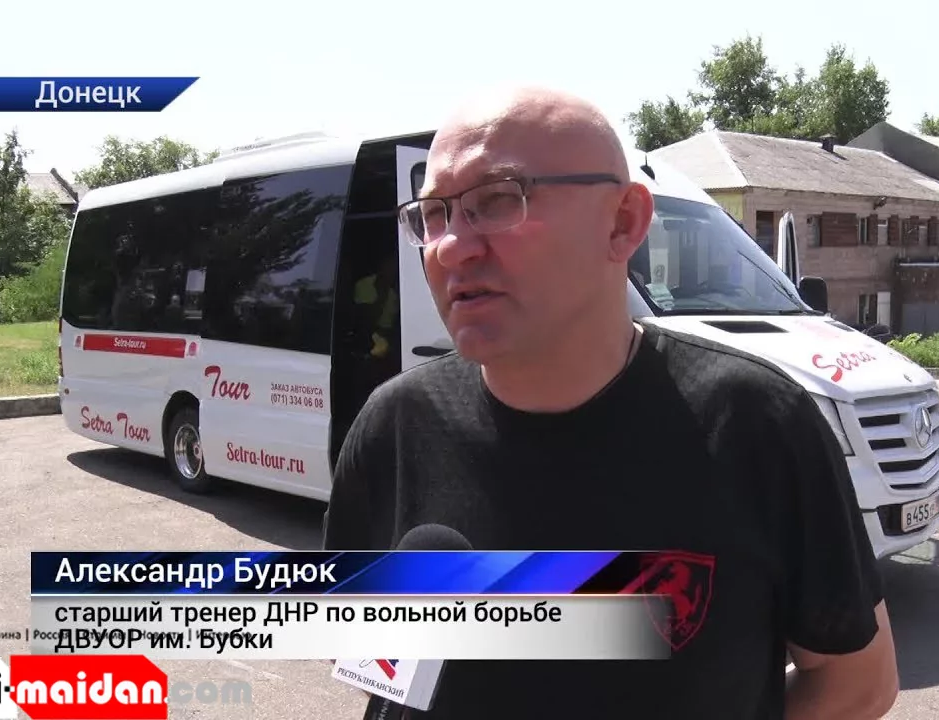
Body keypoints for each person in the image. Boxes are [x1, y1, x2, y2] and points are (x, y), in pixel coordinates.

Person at [322, 85, 898, 719]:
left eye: (497, 200)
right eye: (434, 214)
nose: (451, 246)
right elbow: (373, 663)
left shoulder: (757, 423)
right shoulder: (393, 428)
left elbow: (857, 684)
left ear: (623, 222)